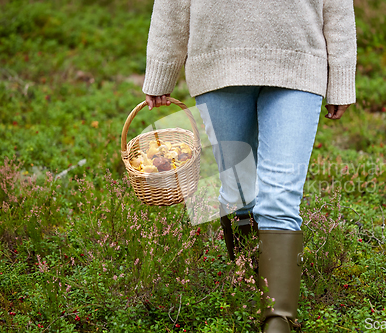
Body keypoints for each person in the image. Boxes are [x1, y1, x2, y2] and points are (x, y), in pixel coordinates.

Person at [142, 1, 356, 332]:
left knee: (279, 198)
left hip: (299, 62)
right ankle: (250, 281)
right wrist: (161, 69)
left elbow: (339, 7)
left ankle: (277, 320)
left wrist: (341, 77)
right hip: (218, 62)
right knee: (239, 192)